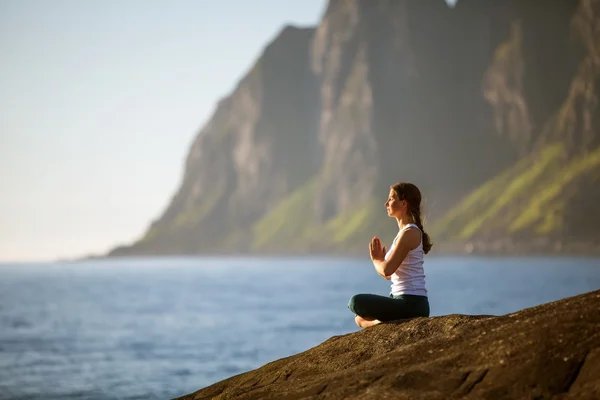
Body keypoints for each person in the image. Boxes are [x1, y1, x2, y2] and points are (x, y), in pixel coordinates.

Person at [348, 182, 432, 328]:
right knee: (358, 318)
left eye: (391, 199)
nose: (386, 203)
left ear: (404, 203)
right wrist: (381, 261)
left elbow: (387, 269)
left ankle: (379, 324)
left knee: (355, 302)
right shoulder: (403, 233)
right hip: (399, 300)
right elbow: (389, 275)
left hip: (412, 303)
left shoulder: (410, 233)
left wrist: (377, 260)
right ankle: (381, 323)